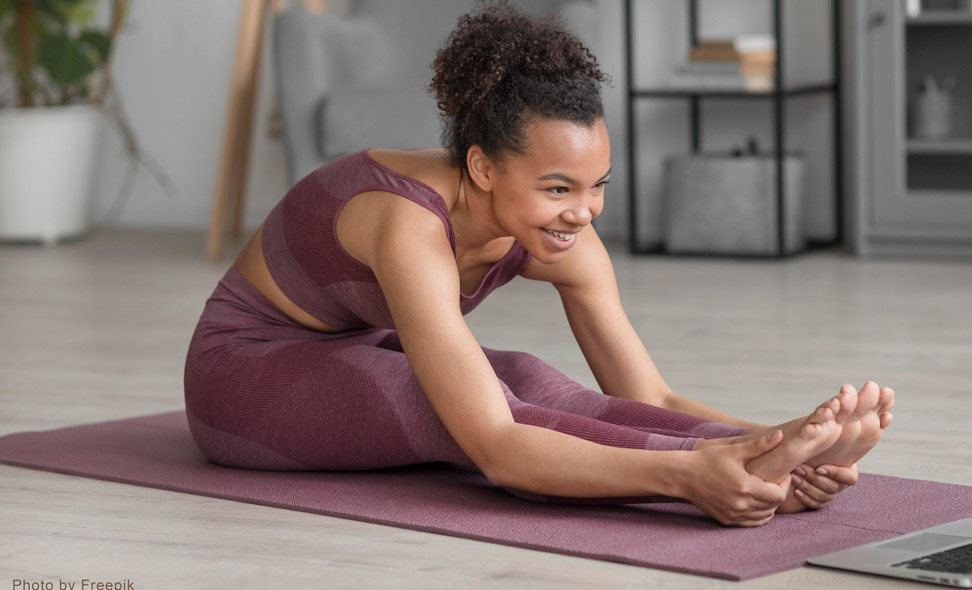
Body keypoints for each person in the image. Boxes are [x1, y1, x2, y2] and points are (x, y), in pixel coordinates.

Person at [183, 0, 894, 527]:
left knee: (524, 376)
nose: (582, 213)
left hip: (352, 348)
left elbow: (652, 394)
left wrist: (769, 442)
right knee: (453, 407)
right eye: (558, 189)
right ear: (483, 167)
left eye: (596, 188)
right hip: (242, 376)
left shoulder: (565, 234)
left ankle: (760, 466)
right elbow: (496, 447)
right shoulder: (405, 222)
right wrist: (688, 480)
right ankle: (718, 472)